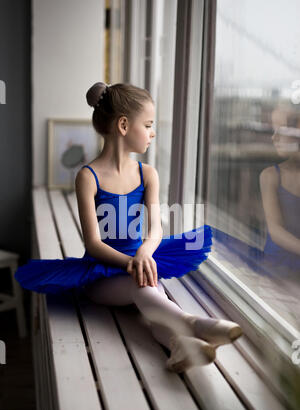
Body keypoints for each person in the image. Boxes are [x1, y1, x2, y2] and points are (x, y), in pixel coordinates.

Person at [15, 82, 243, 373]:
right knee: (146, 288)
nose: (152, 132)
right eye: (148, 124)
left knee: (150, 296)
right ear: (123, 125)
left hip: (142, 264)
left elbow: (155, 229)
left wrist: (145, 253)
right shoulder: (88, 177)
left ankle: (181, 346)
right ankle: (196, 324)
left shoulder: (148, 174)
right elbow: (93, 244)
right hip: (101, 275)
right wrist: (132, 261)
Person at [259, 103, 300, 278]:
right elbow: (275, 230)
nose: (274, 138)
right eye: (273, 131)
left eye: (281, 131)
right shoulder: (270, 176)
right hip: (277, 269)